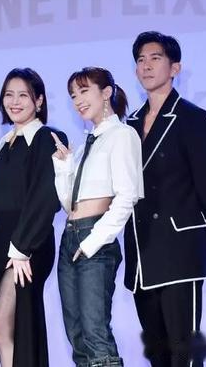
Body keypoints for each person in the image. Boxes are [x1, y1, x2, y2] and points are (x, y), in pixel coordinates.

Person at [125, 31, 206, 366]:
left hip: (180, 249)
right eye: (141, 60)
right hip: (142, 251)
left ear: (175, 68)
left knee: (184, 353)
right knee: (157, 353)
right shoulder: (129, 124)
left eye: (155, 58)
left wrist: (195, 233)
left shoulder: (193, 118)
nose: (146, 66)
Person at [52, 67, 143, 366]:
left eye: (84, 91)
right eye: (73, 95)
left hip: (95, 239)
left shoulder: (122, 135)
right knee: (76, 335)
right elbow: (69, 204)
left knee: (95, 333)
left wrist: (94, 240)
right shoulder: (85, 145)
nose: (77, 100)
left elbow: (127, 196)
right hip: (70, 237)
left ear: (106, 92)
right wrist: (64, 167)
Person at [0, 68, 68, 367]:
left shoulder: (48, 138)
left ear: (39, 100)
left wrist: (22, 248)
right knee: (11, 330)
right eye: (9, 95)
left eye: (23, 95)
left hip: (29, 244)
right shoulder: (1, 146)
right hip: (4, 248)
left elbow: (45, 196)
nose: (15, 101)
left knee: (4, 329)